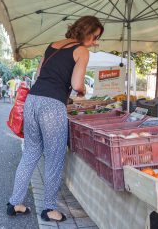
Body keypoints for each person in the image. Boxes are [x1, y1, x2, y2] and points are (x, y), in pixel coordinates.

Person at [7, 16, 104, 222]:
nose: (95, 42)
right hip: (52, 105)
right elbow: (77, 84)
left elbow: (40, 73)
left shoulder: (52, 46)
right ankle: (49, 209)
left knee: (31, 152)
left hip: (32, 100)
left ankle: (15, 203)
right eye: (95, 37)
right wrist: (83, 89)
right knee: (54, 157)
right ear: (87, 33)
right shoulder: (81, 51)